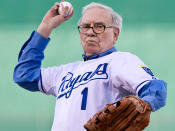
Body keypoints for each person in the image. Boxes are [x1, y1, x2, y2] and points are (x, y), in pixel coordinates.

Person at [13, 1, 167, 131]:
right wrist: (46, 26)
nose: (91, 32)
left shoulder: (120, 61)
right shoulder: (65, 72)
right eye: (85, 26)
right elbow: (24, 75)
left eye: (99, 26)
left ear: (115, 34)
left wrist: (145, 104)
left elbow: (155, 88)